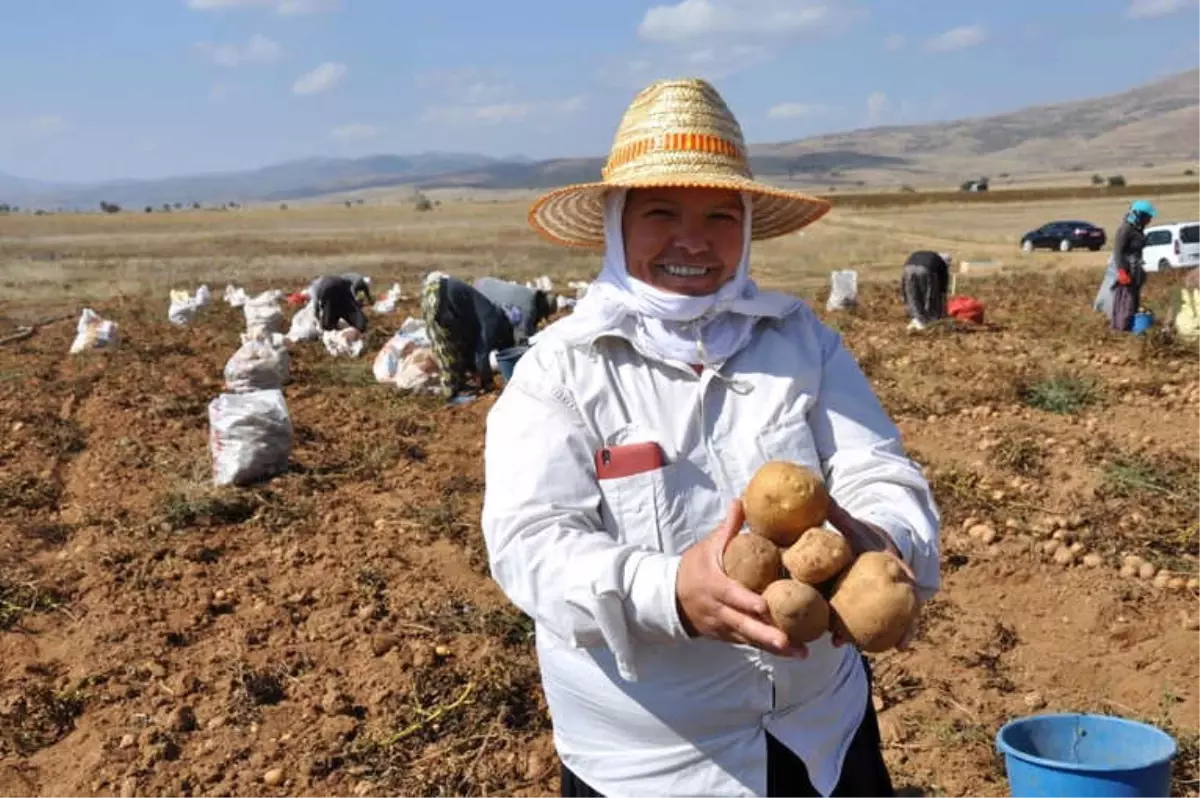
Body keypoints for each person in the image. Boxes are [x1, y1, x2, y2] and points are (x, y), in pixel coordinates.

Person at [480, 78, 940, 798]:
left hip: (819, 736)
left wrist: (881, 541)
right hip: (648, 767)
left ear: (749, 228)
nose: (693, 240)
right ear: (616, 224)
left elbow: (876, 466)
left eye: (721, 217)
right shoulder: (559, 371)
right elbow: (530, 543)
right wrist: (668, 592)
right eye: (662, 212)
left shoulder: (803, 343)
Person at [420, 271, 515, 399]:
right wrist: (488, 382)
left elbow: (470, 346)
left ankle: (457, 389)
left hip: (433, 292)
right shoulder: (491, 319)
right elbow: (482, 353)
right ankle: (453, 397)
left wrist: (475, 371)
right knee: (446, 350)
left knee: (455, 346)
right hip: (439, 293)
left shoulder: (484, 315)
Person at [1108, 200, 1157, 332]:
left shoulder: (1137, 229)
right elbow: (1118, 251)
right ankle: (1122, 327)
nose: (1149, 220)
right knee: (1125, 299)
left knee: (1133, 299)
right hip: (1127, 269)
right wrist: (1122, 271)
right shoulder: (1125, 229)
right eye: (1148, 217)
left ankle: (1131, 325)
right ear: (1139, 215)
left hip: (1136, 269)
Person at [472, 275, 556, 344]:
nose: (541, 318)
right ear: (543, 309)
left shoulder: (530, 293)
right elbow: (522, 338)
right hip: (481, 296)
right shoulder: (529, 309)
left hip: (484, 283)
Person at [900, 250, 951, 330]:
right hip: (925, 270)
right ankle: (931, 321)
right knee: (931, 296)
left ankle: (917, 320)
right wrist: (944, 313)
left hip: (907, 269)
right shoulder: (942, 264)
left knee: (913, 297)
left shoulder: (929, 256)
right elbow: (942, 293)